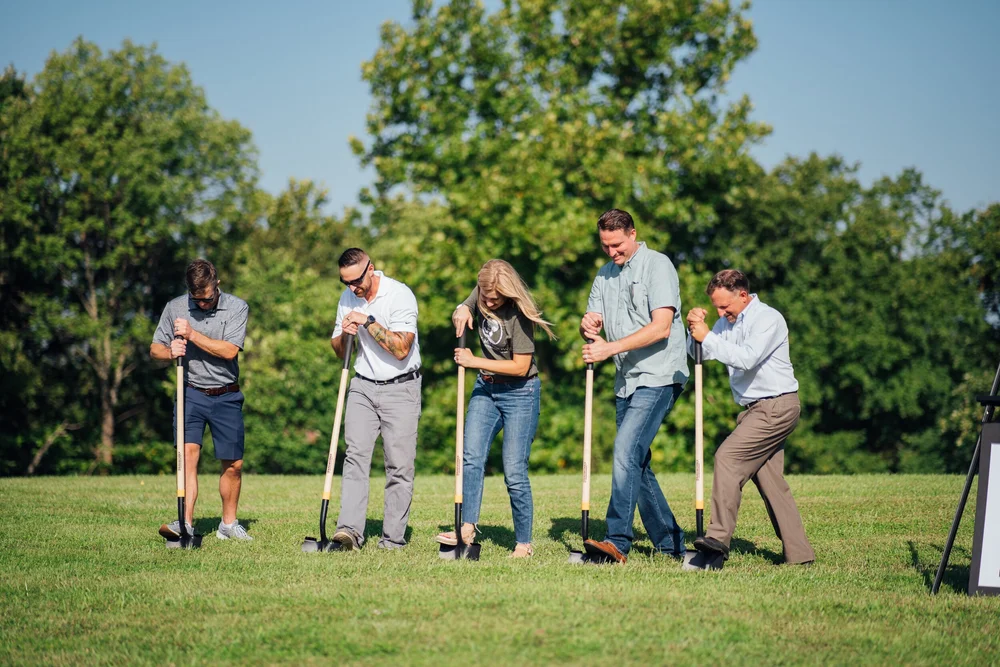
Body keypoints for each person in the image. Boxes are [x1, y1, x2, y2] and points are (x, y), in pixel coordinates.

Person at [579, 209, 688, 563]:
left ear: (632, 234)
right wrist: (589, 325)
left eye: (617, 244)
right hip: (626, 379)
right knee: (635, 461)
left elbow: (661, 327)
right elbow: (592, 324)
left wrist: (608, 347)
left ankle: (617, 542)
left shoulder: (658, 266)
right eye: (605, 246)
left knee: (625, 451)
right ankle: (671, 544)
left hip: (660, 374)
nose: (612, 252)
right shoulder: (603, 276)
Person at [686, 269, 815, 565]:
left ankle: (717, 539)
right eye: (716, 307)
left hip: (777, 406)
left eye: (725, 306)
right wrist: (693, 328)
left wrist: (708, 336)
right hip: (754, 410)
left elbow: (746, 358)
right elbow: (700, 356)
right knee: (770, 481)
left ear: (743, 295)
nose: (721, 312)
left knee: (727, 458)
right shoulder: (725, 322)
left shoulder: (768, 319)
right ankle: (800, 555)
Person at [435, 260, 556, 558]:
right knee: (471, 457)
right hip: (486, 390)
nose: (487, 302)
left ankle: (524, 543)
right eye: (484, 296)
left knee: (514, 470)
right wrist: (460, 310)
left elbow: (520, 366)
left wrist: (474, 360)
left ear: (507, 291)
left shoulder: (520, 315)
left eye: (494, 298)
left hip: (520, 392)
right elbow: (465, 306)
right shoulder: (482, 291)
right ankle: (466, 527)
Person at [329, 248, 422, 550]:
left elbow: (401, 349)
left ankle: (392, 539)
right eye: (346, 283)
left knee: (399, 466)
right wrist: (345, 334)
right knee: (355, 457)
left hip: (402, 388)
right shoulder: (348, 297)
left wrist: (367, 321)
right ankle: (348, 532)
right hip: (362, 386)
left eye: (356, 280)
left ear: (371, 268)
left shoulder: (400, 295)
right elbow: (339, 350)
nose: (352, 288)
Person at [153, 258, 252, 541]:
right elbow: (154, 349)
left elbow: (230, 351)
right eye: (197, 300)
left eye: (208, 299)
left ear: (216, 285)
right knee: (188, 457)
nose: (203, 304)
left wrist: (192, 334)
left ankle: (228, 525)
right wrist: (170, 351)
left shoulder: (236, 307)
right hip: (191, 393)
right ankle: (185, 524)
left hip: (226, 394)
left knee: (233, 465)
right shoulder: (175, 308)